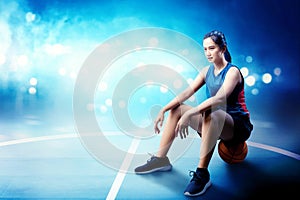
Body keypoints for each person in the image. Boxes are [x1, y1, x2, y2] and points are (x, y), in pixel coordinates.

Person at [134, 30, 253, 197]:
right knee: (178, 109)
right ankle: (161, 159)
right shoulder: (206, 71)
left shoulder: (232, 72)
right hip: (214, 121)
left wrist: (190, 115)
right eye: (205, 49)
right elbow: (186, 93)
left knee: (212, 112)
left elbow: (219, 99)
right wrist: (164, 109)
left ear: (223, 48)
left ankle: (202, 174)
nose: (208, 53)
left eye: (211, 48)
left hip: (237, 125)